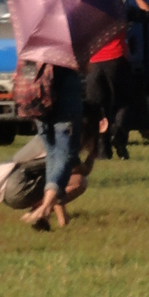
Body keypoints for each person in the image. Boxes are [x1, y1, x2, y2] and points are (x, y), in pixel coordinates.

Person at [0, 105, 104, 227]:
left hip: (8, 187)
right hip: (18, 188)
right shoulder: (66, 141)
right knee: (78, 181)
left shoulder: (58, 131)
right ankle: (40, 213)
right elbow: (81, 171)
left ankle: (39, 212)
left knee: (65, 175)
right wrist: (92, 153)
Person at [86, 0, 149, 161]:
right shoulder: (120, 9)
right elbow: (148, 14)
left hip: (94, 63)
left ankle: (102, 150)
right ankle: (118, 135)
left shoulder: (87, 12)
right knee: (124, 101)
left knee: (99, 107)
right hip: (117, 59)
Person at [20, 63, 87, 231]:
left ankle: (49, 212)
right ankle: (44, 209)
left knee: (52, 158)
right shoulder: (67, 51)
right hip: (65, 110)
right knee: (63, 159)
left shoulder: (34, 49)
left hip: (40, 107)